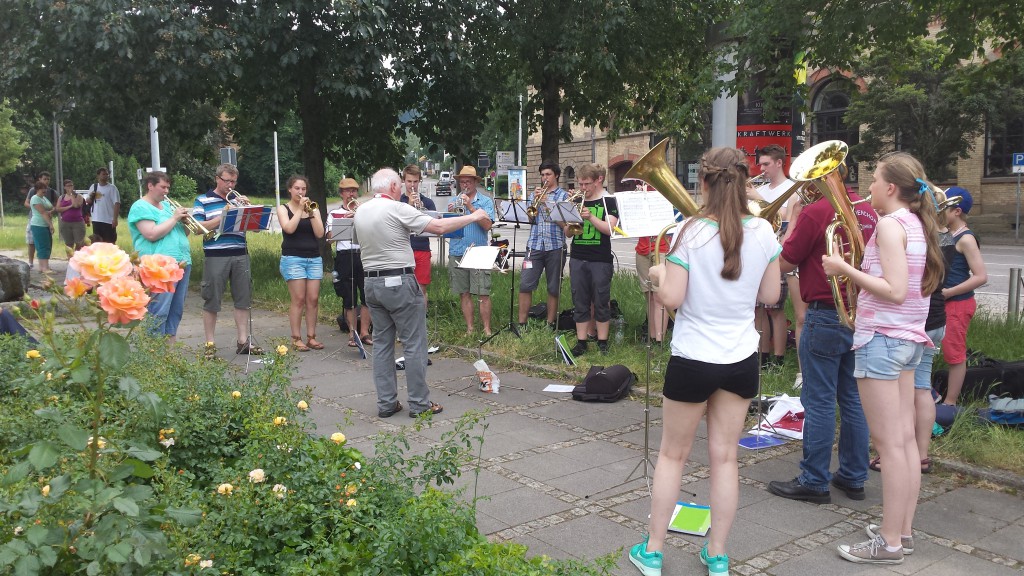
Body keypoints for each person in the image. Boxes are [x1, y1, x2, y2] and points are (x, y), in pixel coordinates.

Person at [628, 147, 782, 576]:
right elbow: (771, 297)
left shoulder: (691, 232)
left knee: (672, 456)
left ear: (706, 183)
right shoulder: (765, 233)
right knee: (725, 459)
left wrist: (658, 274)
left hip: (694, 357)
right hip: (740, 358)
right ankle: (716, 555)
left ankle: (654, 551)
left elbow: (672, 298)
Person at [824, 152, 944, 564]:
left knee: (891, 447)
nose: (869, 187)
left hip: (883, 341)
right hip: (908, 339)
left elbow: (893, 288)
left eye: (874, 180)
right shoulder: (916, 224)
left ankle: (889, 543)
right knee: (905, 442)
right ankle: (902, 532)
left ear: (891, 188)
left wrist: (843, 267)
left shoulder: (892, 226)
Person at [767, 162, 877, 505]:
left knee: (819, 401)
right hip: (859, 315)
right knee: (853, 399)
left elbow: (785, 261)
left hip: (825, 314)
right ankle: (853, 476)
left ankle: (814, 480)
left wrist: (795, 218)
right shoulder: (869, 210)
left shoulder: (817, 211)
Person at [354, 168, 489, 418]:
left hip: (371, 283)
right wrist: (474, 216)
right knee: (414, 344)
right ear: (395, 186)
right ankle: (418, 404)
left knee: (383, 345)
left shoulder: (361, 210)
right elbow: (437, 227)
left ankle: (386, 403)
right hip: (399, 281)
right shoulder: (397, 207)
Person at [193, 163, 262, 359]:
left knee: (243, 299)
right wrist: (224, 215)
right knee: (212, 300)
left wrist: (249, 210)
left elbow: (256, 228)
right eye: (226, 181)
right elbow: (198, 228)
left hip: (240, 253)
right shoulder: (203, 200)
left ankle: (242, 342)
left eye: (233, 181)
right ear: (217, 179)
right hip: (216, 255)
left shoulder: (238, 200)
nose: (230, 185)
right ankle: (210, 344)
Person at [128, 171, 192, 341]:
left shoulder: (168, 207)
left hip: (181, 263)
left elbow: (182, 234)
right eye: (163, 187)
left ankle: (169, 355)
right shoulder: (140, 206)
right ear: (150, 185)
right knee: (159, 310)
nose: (166, 191)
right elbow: (151, 234)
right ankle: (154, 352)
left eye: (168, 187)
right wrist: (175, 217)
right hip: (158, 267)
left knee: (175, 311)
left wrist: (185, 222)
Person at [938, 187, 987, 406]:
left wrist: (949, 292)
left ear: (957, 211)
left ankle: (950, 402)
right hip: (944, 302)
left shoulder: (966, 238)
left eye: (943, 208)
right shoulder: (947, 234)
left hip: (957, 304)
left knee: (954, 353)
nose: (939, 211)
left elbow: (980, 276)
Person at [567, 163, 619, 356]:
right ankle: (582, 341)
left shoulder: (609, 201)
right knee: (579, 300)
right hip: (578, 257)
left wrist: (590, 217)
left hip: (600, 259)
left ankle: (602, 341)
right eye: (580, 184)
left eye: (587, 184)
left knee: (601, 300)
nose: (583, 188)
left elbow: (610, 229)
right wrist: (568, 216)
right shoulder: (578, 200)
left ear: (598, 180)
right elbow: (569, 232)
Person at [750, 144, 794, 369]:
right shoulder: (763, 188)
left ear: (779, 163)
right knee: (758, 307)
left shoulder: (791, 189)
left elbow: (787, 215)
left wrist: (757, 197)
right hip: (758, 251)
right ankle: (762, 354)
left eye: (766, 164)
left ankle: (778, 358)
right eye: (760, 164)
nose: (762, 168)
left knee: (775, 308)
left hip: (778, 251)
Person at [517, 160, 568, 329]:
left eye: (548, 174)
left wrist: (547, 204)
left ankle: (550, 323)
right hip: (535, 244)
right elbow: (530, 219)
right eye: (542, 175)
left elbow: (566, 225)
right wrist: (534, 203)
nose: (544, 178)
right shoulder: (535, 194)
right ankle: (522, 323)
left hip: (556, 245)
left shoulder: (564, 196)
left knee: (553, 287)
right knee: (525, 284)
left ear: (556, 175)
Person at [277, 175, 326, 352]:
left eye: (303, 189)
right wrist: (299, 210)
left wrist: (311, 213)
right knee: (298, 299)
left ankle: (311, 336)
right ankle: (296, 337)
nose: (300, 192)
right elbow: (289, 228)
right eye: (297, 188)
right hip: (293, 258)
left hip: (313, 258)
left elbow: (320, 234)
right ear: (290, 189)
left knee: (312, 299)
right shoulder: (283, 208)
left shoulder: (313, 208)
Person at [446, 166, 495, 336]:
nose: (465, 184)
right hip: (457, 249)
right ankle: (470, 328)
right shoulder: (454, 200)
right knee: (464, 293)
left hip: (478, 250)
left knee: (483, 292)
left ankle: (487, 329)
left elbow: (488, 225)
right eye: (462, 182)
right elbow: (448, 228)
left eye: (468, 181)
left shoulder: (485, 201)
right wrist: (450, 214)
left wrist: (471, 208)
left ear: (475, 182)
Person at [328, 177, 372, 347]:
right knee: (349, 297)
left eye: (354, 190)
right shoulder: (333, 213)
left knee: (367, 295)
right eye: (347, 191)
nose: (351, 194)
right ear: (341, 194)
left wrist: (359, 216)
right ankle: (352, 333)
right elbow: (329, 238)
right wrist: (345, 222)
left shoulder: (364, 211)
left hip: (363, 253)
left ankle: (365, 332)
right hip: (345, 255)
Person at [399, 165, 437, 306]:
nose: (412, 185)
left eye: (415, 181)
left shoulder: (428, 202)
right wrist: (409, 205)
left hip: (422, 248)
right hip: (402, 249)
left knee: (421, 288)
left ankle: (421, 321)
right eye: (409, 181)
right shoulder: (397, 202)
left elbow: (434, 225)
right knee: (402, 288)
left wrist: (423, 210)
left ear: (419, 181)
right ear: (404, 181)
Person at [635, 232, 670, 344]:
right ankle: (652, 338)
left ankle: (660, 341)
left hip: (662, 248)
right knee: (649, 295)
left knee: (659, 297)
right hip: (642, 249)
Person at [23, 173, 57, 268]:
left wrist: (51, 211)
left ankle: (44, 267)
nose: (45, 190)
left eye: (46, 188)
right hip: (38, 223)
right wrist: (50, 224)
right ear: (37, 189)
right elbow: (42, 212)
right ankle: (40, 266)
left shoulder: (45, 196)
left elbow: (52, 206)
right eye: (43, 189)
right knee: (38, 244)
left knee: (46, 245)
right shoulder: (35, 197)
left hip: (45, 223)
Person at [88, 167, 121, 243]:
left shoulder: (112, 188)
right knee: (97, 242)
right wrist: (91, 196)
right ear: (98, 176)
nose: (106, 176)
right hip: (96, 219)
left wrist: (115, 219)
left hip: (108, 220)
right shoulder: (94, 187)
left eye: (107, 174)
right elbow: (88, 201)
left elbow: (117, 203)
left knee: (109, 242)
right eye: (103, 174)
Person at [55, 179, 87, 251]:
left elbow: (76, 205)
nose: (70, 187)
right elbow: (58, 209)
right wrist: (69, 206)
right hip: (65, 223)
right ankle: (70, 259)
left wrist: (71, 195)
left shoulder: (78, 196)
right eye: (68, 186)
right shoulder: (61, 197)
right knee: (68, 244)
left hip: (77, 222)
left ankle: (77, 258)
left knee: (79, 243)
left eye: (71, 185)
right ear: (64, 187)